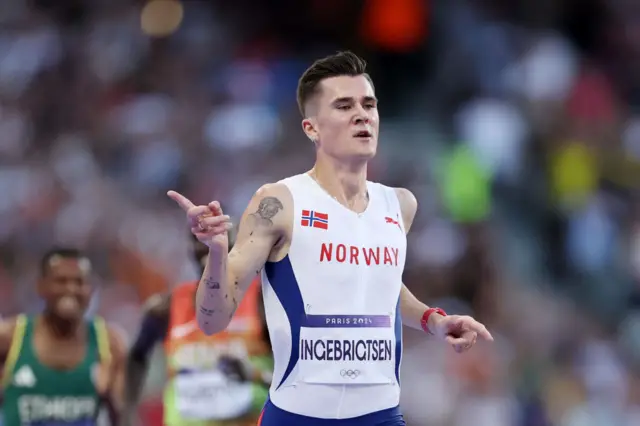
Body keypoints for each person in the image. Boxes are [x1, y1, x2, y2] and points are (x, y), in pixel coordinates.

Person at [167, 51, 494, 426]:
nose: (362, 115)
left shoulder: (400, 204)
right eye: (344, 105)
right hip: (298, 416)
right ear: (312, 128)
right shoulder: (279, 202)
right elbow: (211, 321)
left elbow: (380, 287)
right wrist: (217, 254)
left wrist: (433, 321)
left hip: (380, 416)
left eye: (368, 104)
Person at [123, 232, 272, 426]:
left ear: (237, 245)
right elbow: (137, 357)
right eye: (200, 240)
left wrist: (255, 375)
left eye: (221, 238)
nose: (210, 246)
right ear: (191, 249)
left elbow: (295, 373)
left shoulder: (263, 303)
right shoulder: (166, 308)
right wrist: (128, 413)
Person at [0, 247, 126, 425]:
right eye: (61, 281)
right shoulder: (10, 339)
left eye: (79, 282)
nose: (71, 289)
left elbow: (127, 417)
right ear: (41, 286)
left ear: (90, 290)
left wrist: (110, 397)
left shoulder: (110, 344)